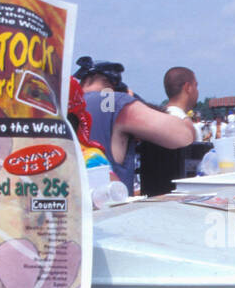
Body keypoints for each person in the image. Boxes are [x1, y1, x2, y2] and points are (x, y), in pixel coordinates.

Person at [76, 57, 194, 194]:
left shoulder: (63, 105)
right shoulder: (114, 102)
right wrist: (131, 99)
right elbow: (182, 136)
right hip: (108, 209)